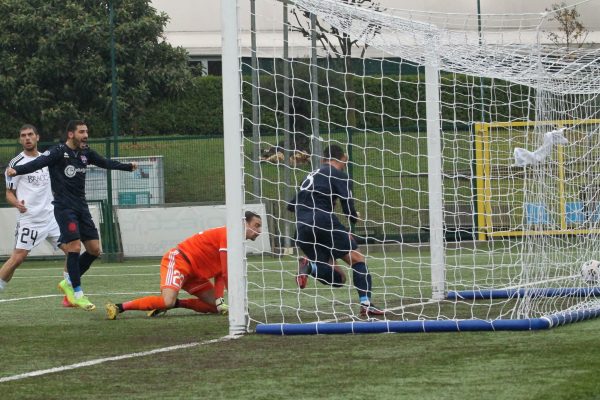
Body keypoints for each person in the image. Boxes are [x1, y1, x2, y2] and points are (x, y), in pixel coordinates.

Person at [5, 120, 138, 311]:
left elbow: (105, 163)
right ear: (70, 134)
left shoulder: (86, 153)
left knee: (94, 250)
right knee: (73, 247)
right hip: (63, 208)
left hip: (81, 207)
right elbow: (37, 163)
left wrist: (127, 166)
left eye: (86, 131)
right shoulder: (57, 152)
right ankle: (77, 294)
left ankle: (68, 282)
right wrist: (16, 170)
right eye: (82, 132)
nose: (85, 135)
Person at [104, 211, 263, 320]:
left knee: (215, 307)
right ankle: (119, 307)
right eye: (256, 225)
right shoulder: (228, 235)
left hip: (196, 275)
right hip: (180, 261)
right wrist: (235, 302)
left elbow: (221, 273)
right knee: (167, 301)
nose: (259, 230)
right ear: (244, 223)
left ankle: (178, 304)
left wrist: (219, 301)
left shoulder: (237, 242)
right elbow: (227, 273)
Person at [287, 144, 384, 316]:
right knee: (358, 260)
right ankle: (366, 304)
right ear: (343, 158)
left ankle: (311, 267)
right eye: (346, 160)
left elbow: (291, 206)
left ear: (324, 158)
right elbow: (348, 206)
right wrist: (354, 217)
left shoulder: (310, 175)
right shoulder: (338, 174)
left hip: (302, 228)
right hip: (324, 221)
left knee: (339, 278)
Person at [0, 124, 70, 306]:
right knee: (17, 258)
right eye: (23, 135)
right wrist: (16, 203)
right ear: (20, 139)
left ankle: (69, 293)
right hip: (30, 220)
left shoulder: (47, 159)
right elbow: (9, 192)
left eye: (30, 134)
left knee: (73, 251)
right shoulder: (16, 163)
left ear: (37, 137)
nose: (27, 138)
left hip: (52, 217)